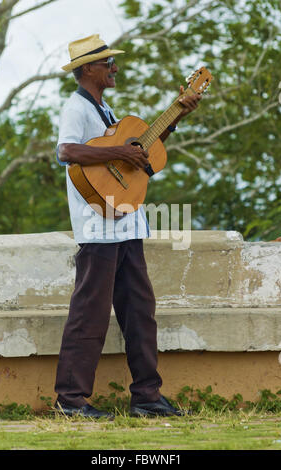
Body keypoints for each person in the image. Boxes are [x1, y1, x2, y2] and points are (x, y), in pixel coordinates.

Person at [54, 34, 201, 418]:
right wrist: (121, 151)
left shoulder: (106, 110)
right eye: (108, 63)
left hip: (128, 225)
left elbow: (143, 149)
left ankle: (147, 396)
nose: (114, 68)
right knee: (90, 313)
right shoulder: (76, 108)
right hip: (98, 226)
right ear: (88, 69)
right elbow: (66, 151)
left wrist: (178, 113)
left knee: (139, 312)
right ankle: (70, 401)